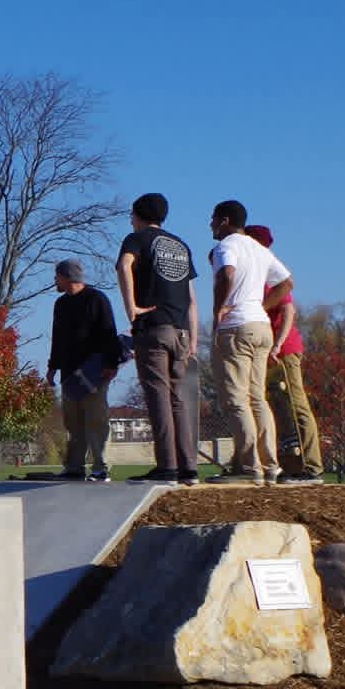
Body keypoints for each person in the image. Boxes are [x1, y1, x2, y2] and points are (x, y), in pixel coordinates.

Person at [115, 194, 200, 484]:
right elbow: (190, 297)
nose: (130, 220)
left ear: (138, 216)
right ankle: (188, 465)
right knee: (178, 397)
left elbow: (124, 266)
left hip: (154, 327)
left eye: (131, 215)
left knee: (158, 395)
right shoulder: (179, 245)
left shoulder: (137, 239)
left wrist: (132, 310)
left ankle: (167, 465)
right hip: (181, 330)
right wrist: (193, 337)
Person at [206, 201, 292, 483]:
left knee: (235, 399)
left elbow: (226, 274)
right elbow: (286, 283)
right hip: (261, 326)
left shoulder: (226, 246)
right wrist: (261, 305)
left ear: (225, 220)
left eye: (213, 219)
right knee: (257, 398)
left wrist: (220, 309)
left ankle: (248, 465)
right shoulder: (259, 249)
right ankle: (270, 466)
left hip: (236, 328)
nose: (210, 224)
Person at [246, 225, 322, 483]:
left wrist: (278, 344)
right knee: (277, 407)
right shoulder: (258, 273)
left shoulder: (269, 273)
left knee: (297, 404)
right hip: (266, 350)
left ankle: (312, 468)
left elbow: (288, 310)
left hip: (284, 350)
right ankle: (288, 464)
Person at [45, 259, 120, 480]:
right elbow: (57, 338)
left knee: (96, 420)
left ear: (67, 276)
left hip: (94, 372)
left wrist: (110, 364)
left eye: (57, 276)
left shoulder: (96, 299)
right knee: (73, 423)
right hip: (69, 373)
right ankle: (74, 468)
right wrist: (52, 367)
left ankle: (100, 468)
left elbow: (109, 332)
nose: (55, 281)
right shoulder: (61, 304)